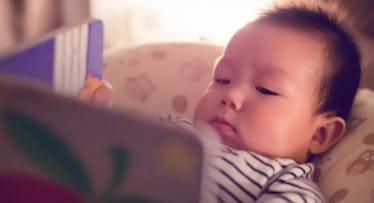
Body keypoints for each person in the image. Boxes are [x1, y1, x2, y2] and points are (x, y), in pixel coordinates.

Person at [170, 2, 361, 203]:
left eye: (265, 90)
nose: (231, 95)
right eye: (222, 79)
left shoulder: (283, 184)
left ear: (319, 135)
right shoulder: (173, 129)